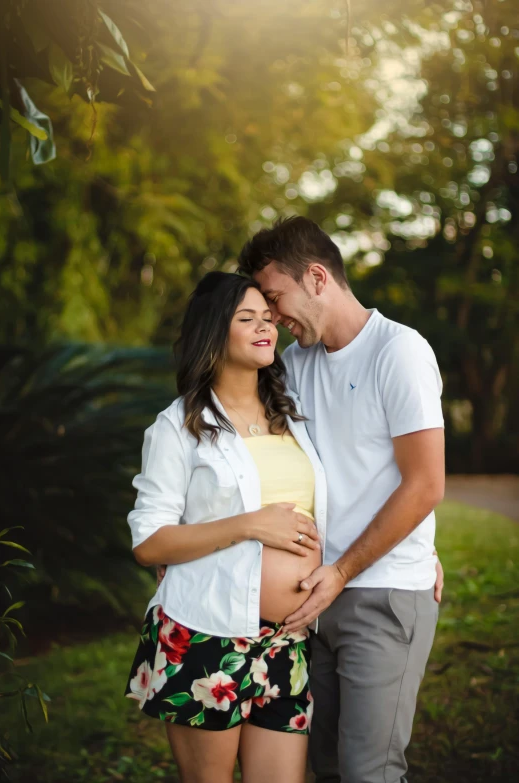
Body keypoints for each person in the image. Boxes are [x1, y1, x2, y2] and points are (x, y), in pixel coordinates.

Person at [238, 216, 445, 783]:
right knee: (323, 768)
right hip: (312, 601)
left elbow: (425, 483)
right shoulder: (294, 365)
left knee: (368, 772)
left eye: (276, 299)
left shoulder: (398, 352)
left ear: (317, 277)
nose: (274, 317)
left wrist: (352, 567)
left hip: (381, 593)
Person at [125, 271, 327, 783]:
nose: (266, 328)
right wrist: (250, 525)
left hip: (286, 642)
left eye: (268, 318)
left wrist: (415, 549)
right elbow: (149, 543)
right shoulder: (178, 426)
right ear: (216, 332)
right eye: (247, 319)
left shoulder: (294, 418)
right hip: (204, 634)